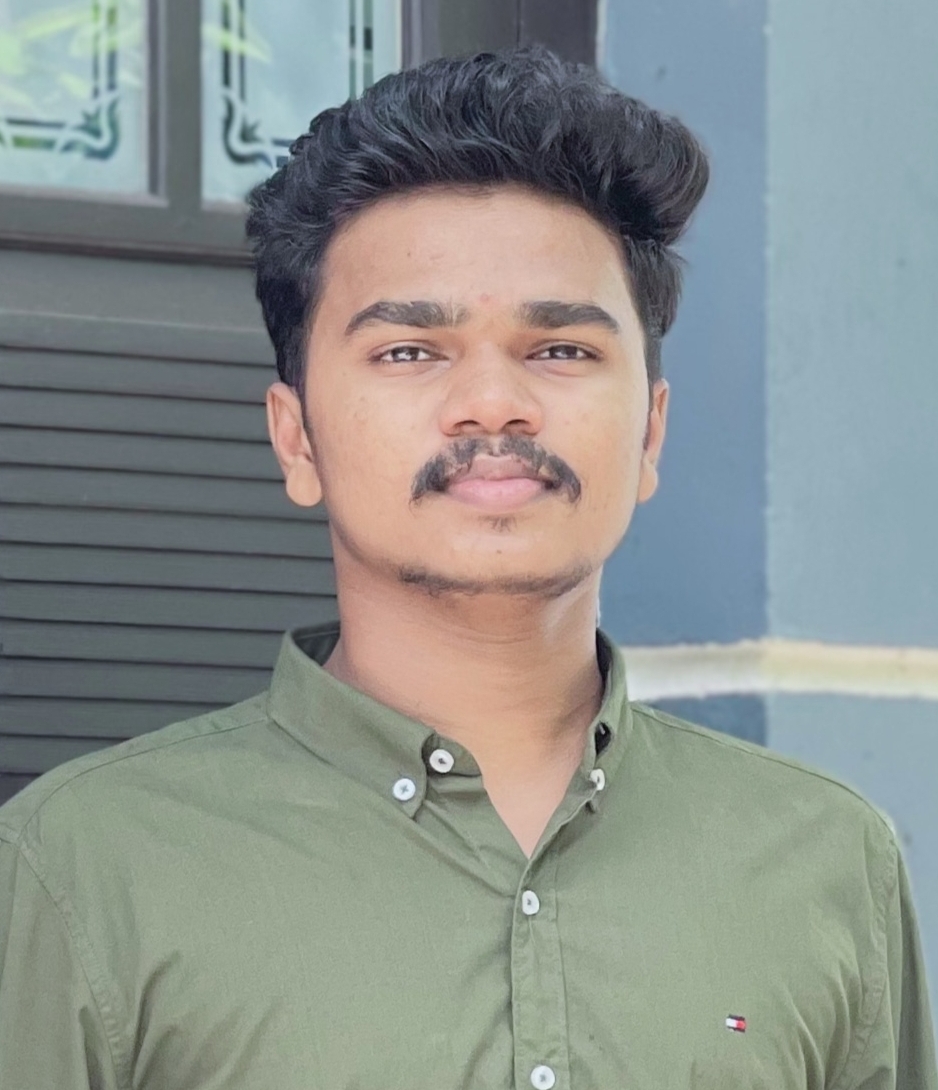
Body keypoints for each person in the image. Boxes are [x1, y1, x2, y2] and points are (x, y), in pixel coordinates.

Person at [0, 44, 934, 1090]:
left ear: (650, 434)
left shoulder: (828, 857)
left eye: (560, 349)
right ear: (295, 438)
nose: (493, 403)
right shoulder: (83, 867)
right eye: (409, 351)